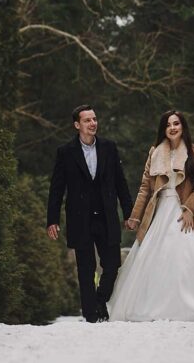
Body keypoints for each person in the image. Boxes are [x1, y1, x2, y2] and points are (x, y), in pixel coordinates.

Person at [107, 109, 194, 328]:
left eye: (176, 123)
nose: (172, 127)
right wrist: (135, 216)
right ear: (164, 129)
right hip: (160, 212)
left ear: (183, 127)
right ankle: (156, 308)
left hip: (186, 212)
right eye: (168, 124)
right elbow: (145, 188)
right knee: (153, 259)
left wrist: (189, 209)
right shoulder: (155, 153)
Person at [46, 104, 134, 322]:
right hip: (80, 218)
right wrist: (52, 220)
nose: (93, 123)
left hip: (107, 216)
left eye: (94, 119)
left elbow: (121, 183)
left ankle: (100, 301)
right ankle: (91, 315)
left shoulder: (109, 148)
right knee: (86, 269)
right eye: (87, 120)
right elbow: (57, 188)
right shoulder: (65, 153)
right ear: (77, 125)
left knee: (112, 264)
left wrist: (130, 213)